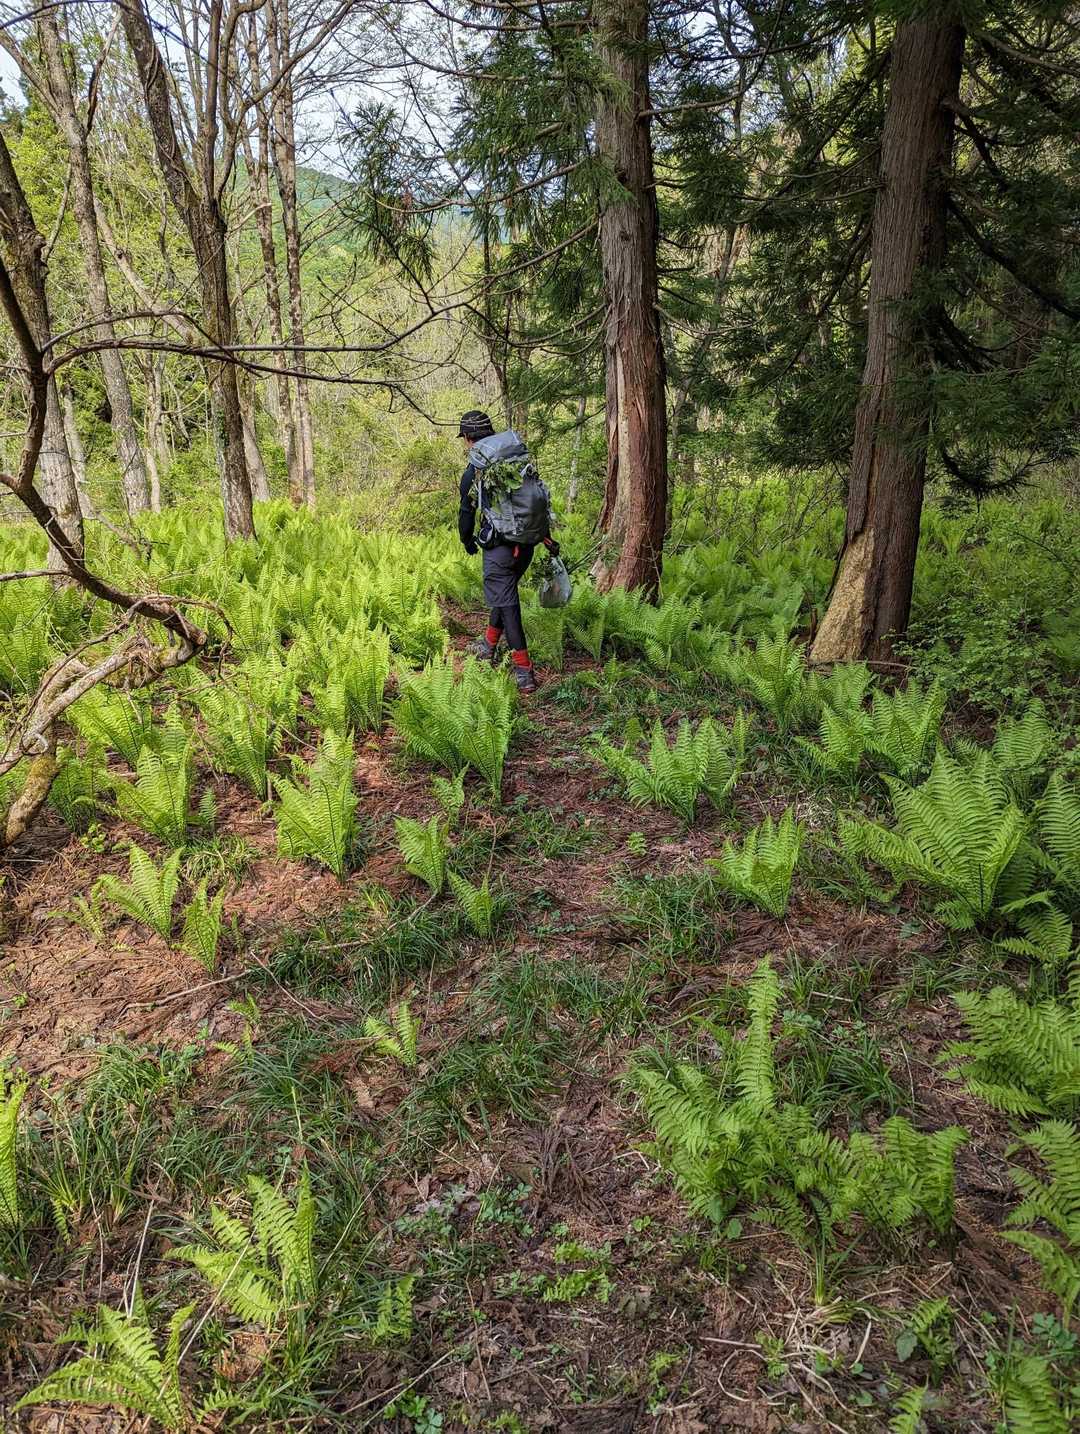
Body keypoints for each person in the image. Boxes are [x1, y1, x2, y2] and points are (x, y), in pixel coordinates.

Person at [457, 410, 557, 694]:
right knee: (504, 597)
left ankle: (524, 670)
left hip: (500, 548)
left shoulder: (475, 470)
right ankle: (488, 645)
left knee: (509, 606)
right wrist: (546, 537)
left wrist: (467, 540)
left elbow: (466, 512)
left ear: (468, 437)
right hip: (526, 544)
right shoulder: (517, 460)